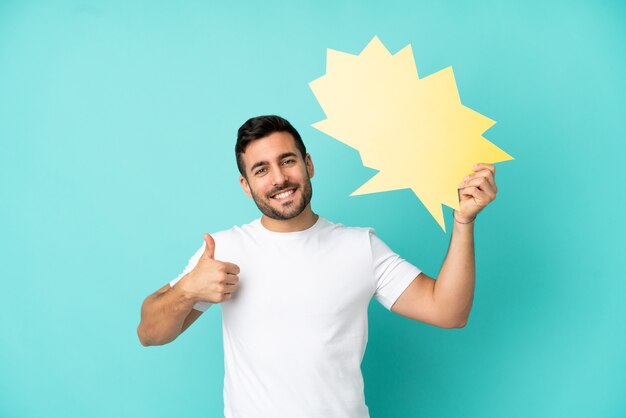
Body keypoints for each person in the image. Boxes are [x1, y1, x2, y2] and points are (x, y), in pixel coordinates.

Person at [137, 115, 498, 417]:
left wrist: (463, 222)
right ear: (246, 186)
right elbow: (149, 333)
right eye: (261, 170)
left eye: (287, 161)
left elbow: (449, 311)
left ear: (308, 164)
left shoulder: (360, 247)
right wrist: (187, 290)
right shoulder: (223, 250)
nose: (279, 179)